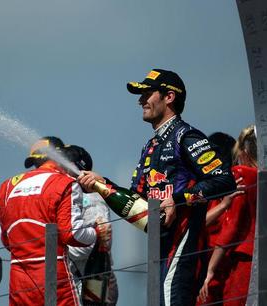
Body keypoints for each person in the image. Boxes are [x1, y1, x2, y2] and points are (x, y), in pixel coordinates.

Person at [78, 69, 236, 306]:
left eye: (147, 93)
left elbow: (224, 180)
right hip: (158, 241)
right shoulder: (152, 145)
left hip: (183, 236)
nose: (141, 100)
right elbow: (136, 199)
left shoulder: (187, 136)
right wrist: (103, 184)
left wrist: (178, 199)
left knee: (171, 297)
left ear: (169, 97)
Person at [0, 136, 108, 306]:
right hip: (55, 276)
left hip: (18, 280)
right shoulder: (65, 183)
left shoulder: (7, 186)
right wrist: (95, 233)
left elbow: (6, 239)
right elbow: (73, 234)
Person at [198, 125, 258, 305]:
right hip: (236, 257)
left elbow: (230, 228)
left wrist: (210, 270)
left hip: (226, 260)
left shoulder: (240, 176)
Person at [64, 144, 118, 306]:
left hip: (92, 284)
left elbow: (101, 239)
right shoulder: (72, 198)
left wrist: (56, 250)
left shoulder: (92, 199)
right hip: (80, 280)